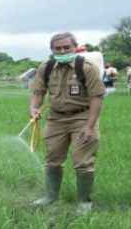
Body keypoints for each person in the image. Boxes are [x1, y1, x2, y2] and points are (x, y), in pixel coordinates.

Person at [29, 32, 105, 214]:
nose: (62, 51)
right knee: (52, 159)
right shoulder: (45, 68)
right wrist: (34, 109)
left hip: (82, 117)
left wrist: (89, 126)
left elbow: (97, 96)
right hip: (56, 119)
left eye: (66, 47)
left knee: (83, 161)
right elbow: (38, 93)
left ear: (74, 47)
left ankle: (84, 202)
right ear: (52, 50)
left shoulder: (86, 67)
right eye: (58, 48)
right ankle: (51, 196)